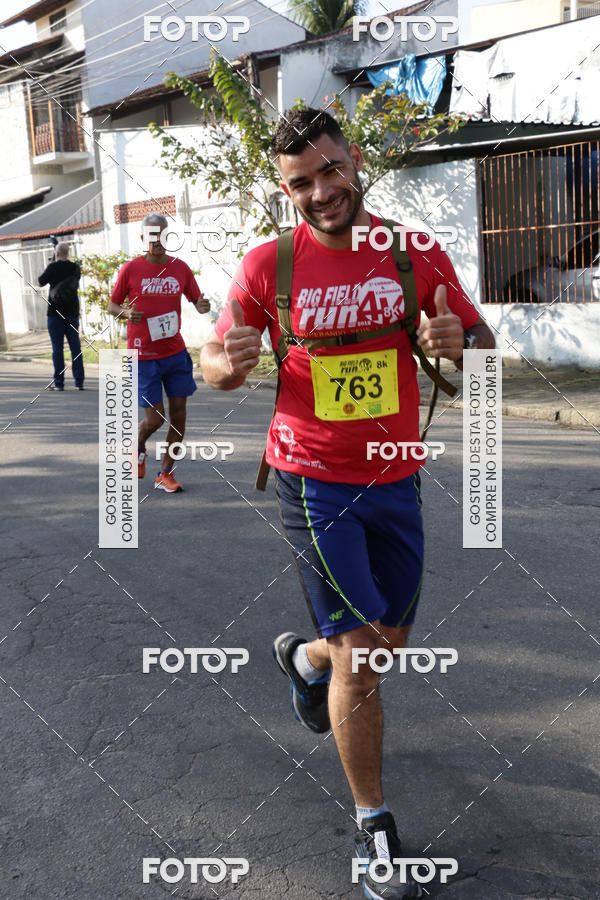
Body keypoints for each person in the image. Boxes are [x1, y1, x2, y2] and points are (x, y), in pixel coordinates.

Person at [201, 108, 495, 899]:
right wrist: (226, 364)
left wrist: (455, 342)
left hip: (394, 478)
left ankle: (304, 657)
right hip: (312, 479)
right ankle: (375, 828)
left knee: (385, 644)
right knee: (366, 656)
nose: (322, 191)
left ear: (353, 160)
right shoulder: (269, 263)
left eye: (330, 170)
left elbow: (480, 337)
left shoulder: (413, 251)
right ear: (283, 186)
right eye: (302, 181)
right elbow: (218, 359)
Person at [108, 213, 210, 493]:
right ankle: (137, 446)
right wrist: (127, 312)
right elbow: (112, 306)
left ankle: (165, 472)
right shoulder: (130, 269)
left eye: (163, 234)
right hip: (143, 356)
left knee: (179, 417)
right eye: (152, 235)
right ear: (144, 239)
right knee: (155, 419)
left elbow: (196, 299)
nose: (158, 240)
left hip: (175, 353)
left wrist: (202, 305)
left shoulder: (180, 269)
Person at [38, 241, 84, 390]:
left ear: (57, 253)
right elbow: (75, 280)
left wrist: (52, 264)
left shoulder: (52, 267)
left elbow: (40, 281)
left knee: (57, 349)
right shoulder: (75, 268)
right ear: (68, 253)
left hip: (55, 314)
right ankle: (79, 382)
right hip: (72, 313)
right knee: (75, 347)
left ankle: (59, 383)